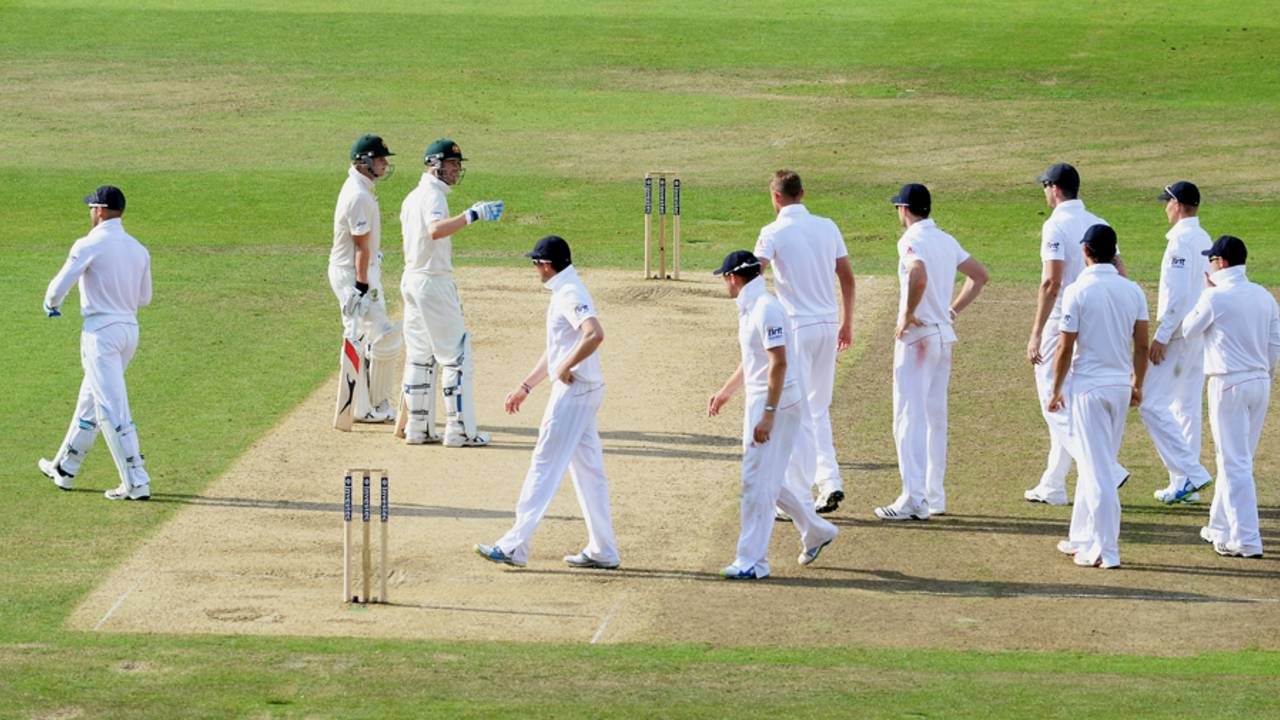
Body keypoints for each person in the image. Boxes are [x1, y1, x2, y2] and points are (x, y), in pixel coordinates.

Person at [475, 236, 620, 569]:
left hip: (575, 392)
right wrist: (526, 386)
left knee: (544, 464)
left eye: (535, 264)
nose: (535, 270)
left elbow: (594, 333)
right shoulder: (564, 290)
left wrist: (567, 367)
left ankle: (514, 545)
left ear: (545, 264)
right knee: (589, 473)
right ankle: (603, 549)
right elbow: (558, 350)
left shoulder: (569, 293)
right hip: (585, 390)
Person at [707, 251, 838, 579]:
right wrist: (726, 391)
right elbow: (755, 360)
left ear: (734, 278)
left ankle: (752, 561)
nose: (725, 284)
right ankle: (815, 529)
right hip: (765, 399)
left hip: (774, 402)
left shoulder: (766, 309)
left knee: (754, 482)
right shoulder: (752, 308)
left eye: (725, 278)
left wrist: (767, 415)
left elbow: (778, 362)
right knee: (768, 478)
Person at [873, 184, 987, 521]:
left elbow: (918, 275)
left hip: (918, 339)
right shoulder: (945, 239)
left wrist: (908, 313)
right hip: (941, 337)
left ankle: (913, 498)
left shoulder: (911, 240)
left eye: (898, 208)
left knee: (908, 417)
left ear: (905, 210)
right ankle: (933, 496)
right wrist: (950, 310)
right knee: (934, 418)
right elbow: (979, 277)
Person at [39, 185, 153, 500]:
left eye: (92, 207)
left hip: (100, 333)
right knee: (89, 399)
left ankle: (136, 480)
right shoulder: (138, 248)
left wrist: (52, 304)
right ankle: (64, 467)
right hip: (129, 330)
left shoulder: (90, 243)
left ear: (100, 211)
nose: (90, 211)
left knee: (112, 408)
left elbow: (60, 283)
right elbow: (145, 297)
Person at [1024, 162, 1128, 505]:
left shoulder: (1055, 225)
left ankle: (1105, 469)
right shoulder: (1099, 222)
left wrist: (1036, 333)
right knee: (1068, 399)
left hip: (1062, 319)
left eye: (1045, 186)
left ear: (1054, 188)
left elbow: (1051, 282)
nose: (1044, 192)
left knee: (1052, 401)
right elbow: (1120, 272)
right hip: (1096, 317)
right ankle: (1053, 484)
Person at [753, 170, 855, 514]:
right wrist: (847, 321)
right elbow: (847, 277)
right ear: (802, 193)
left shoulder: (772, 231)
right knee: (817, 408)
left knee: (795, 411)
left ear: (776, 197)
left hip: (795, 328)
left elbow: (756, 273)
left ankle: (798, 494)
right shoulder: (827, 225)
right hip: (827, 324)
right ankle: (830, 481)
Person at [1048, 225, 1148, 569]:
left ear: (1086, 252)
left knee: (1098, 471)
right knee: (1096, 464)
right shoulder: (1132, 290)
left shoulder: (1078, 291)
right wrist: (1137, 384)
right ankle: (1082, 537)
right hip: (1119, 388)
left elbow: (1064, 347)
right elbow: (1142, 345)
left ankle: (1107, 549)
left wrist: (1056, 388)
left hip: (1088, 389)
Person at [397, 138, 504, 446]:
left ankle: (418, 428)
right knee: (455, 356)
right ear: (435, 166)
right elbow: (434, 230)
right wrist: (472, 215)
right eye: (451, 164)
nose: (456, 169)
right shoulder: (432, 196)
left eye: (458, 164)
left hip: (412, 279)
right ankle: (460, 431)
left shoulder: (412, 196)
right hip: (433, 281)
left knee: (420, 357)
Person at [1180, 235, 1280, 558]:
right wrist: (1265, 376)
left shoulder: (1215, 297)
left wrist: (1206, 295)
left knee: (1235, 462)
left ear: (1220, 263)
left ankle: (1247, 539)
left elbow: (1187, 330)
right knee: (1235, 458)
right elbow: (1274, 345)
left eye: (1212, 260)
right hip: (1259, 381)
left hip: (1228, 384)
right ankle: (1219, 525)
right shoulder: (1264, 296)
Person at [1140, 181, 1213, 504]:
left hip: (1180, 334)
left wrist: (1162, 335)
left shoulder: (1181, 241)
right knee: (1184, 406)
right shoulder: (1202, 236)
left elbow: (1178, 295)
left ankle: (1190, 473)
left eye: (1167, 202)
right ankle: (1183, 485)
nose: (1164, 207)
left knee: (1151, 403)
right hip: (1199, 331)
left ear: (1179, 204)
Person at [328, 134, 402, 424]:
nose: (385, 163)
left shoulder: (364, 188)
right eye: (381, 158)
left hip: (363, 270)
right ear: (364, 162)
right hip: (352, 274)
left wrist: (373, 261)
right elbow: (359, 245)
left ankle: (374, 403)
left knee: (378, 336)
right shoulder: (358, 194)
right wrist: (360, 286)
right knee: (364, 335)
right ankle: (361, 408)